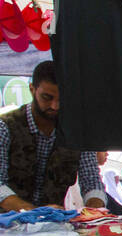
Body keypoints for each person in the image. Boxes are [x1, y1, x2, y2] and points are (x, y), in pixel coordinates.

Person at [0, 60, 106, 210]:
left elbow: (92, 182)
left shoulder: (77, 132)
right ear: (32, 89)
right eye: (47, 98)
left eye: (62, 99)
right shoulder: (5, 127)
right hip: (8, 227)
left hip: (57, 228)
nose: (55, 106)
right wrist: (35, 213)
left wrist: (94, 209)